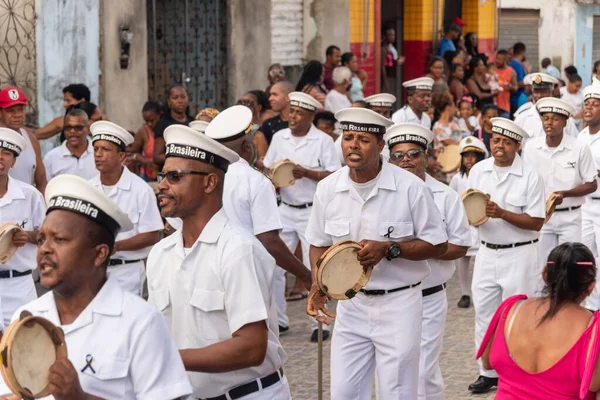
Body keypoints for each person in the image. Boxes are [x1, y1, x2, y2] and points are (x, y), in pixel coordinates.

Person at [0, 174, 192, 399]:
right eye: (42, 239)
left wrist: (80, 397)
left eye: (59, 239)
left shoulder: (140, 322)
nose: (44, 250)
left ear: (100, 253)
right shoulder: (27, 317)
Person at [306, 107, 448, 399]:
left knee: (396, 392)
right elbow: (318, 243)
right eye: (348, 138)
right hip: (351, 307)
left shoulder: (410, 188)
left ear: (381, 145)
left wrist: (391, 249)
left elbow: (438, 244)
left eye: (363, 139)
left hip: (399, 303)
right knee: (344, 392)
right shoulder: (328, 189)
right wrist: (318, 284)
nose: (353, 145)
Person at [147, 124, 291, 399]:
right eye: (162, 175)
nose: (162, 185)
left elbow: (251, 347)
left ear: (210, 183)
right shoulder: (160, 253)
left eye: (175, 177)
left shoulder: (237, 249)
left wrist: (170, 358)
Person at [201, 106, 312, 335]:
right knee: (259, 347)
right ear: (246, 145)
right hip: (247, 279)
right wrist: (305, 274)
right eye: (252, 138)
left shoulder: (200, 178)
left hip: (206, 278)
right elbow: (268, 241)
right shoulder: (255, 181)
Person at [385, 122, 470, 400]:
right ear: (388, 158)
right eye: (398, 155)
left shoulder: (445, 196)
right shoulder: (379, 196)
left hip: (428, 296)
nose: (405, 160)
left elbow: (459, 245)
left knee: (422, 370)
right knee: (390, 371)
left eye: (413, 154)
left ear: (427, 157)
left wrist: (419, 249)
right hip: (388, 298)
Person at [467, 117, 545, 394]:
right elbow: (469, 206)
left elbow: (536, 221)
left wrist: (502, 213)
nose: (499, 146)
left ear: (517, 146)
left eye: (506, 142)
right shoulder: (479, 170)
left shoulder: (530, 175)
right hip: (487, 253)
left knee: (518, 315)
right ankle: (487, 372)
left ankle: (518, 370)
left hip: (520, 254)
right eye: (496, 140)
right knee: (484, 314)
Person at [477, 242, 600, 399]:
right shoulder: (593, 329)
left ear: (544, 274)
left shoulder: (510, 309)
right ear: (590, 287)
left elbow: (487, 362)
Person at [263, 92, 341, 342]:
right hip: (284, 208)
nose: (292, 117)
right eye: (291, 111)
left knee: (314, 267)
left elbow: (333, 175)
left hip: (311, 211)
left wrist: (306, 173)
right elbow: (268, 166)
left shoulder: (322, 141)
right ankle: (279, 321)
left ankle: (319, 322)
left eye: (298, 113)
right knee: (274, 266)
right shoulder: (279, 137)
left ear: (310, 117)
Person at [88, 121, 163, 295]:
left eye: (105, 150)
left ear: (122, 157)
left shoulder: (140, 190)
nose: (98, 155)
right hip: (94, 272)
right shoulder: (89, 189)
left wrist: (117, 246)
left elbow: (153, 234)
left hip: (126, 273)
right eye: (96, 149)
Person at [523, 97, 597, 265]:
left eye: (555, 119)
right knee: (543, 264)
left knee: (570, 264)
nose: (549, 123)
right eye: (545, 118)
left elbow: (592, 184)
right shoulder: (531, 147)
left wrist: (566, 193)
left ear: (565, 122)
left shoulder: (578, 147)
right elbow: (525, 181)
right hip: (542, 216)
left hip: (571, 216)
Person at [0, 128, 44, 328]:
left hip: (20, 286)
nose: (0, 157)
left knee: (23, 348)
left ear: (14, 162)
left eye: (6, 153)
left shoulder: (30, 195)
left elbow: (48, 236)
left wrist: (27, 236)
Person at [450, 136, 488, 308]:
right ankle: (465, 293)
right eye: (466, 156)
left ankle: (480, 291)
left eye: (473, 156)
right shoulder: (458, 178)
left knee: (482, 258)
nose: (469, 159)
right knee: (462, 259)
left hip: (481, 222)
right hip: (464, 223)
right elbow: (451, 198)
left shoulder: (485, 174)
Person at [578, 84, 600, 309]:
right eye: (587, 104)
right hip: (585, 204)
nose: (589, 108)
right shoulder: (581, 136)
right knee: (585, 255)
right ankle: (590, 305)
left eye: (595, 104)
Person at [515, 73, 580, 145]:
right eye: (536, 91)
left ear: (551, 92)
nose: (539, 95)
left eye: (543, 91)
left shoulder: (564, 119)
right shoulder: (523, 116)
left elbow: (575, 143)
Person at [43, 108, 96, 181]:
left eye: (78, 127)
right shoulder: (51, 158)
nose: (72, 131)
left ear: (87, 128)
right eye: (68, 127)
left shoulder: (98, 153)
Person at [152, 85, 194, 170]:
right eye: (175, 98)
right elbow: (156, 157)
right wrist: (181, 157)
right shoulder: (163, 124)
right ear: (169, 102)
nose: (180, 101)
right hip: (170, 173)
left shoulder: (192, 122)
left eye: (183, 97)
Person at [127, 100, 162, 182]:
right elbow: (132, 153)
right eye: (146, 121)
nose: (149, 124)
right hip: (147, 176)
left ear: (159, 115)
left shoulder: (165, 130)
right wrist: (146, 161)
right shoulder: (143, 131)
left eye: (152, 120)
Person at [260, 81, 294, 147]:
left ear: (288, 98)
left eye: (275, 94)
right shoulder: (268, 124)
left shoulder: (302, 123)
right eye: (270, 95)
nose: (270, 99)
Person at [381, 26, 405, 93]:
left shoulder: (391, 47)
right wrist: (385, 83)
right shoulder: (383, 48)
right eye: (390, 35)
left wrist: (398, 59)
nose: (393, 37)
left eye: (394, 35)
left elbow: (393, 58)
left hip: (392, 75)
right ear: (385, 36)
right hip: (385, 77)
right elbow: (382, 66)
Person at [495, 50, 517, 118]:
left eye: (499, 59)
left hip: (504, 108)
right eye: (496, 58)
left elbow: (516, 87)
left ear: (505, 60)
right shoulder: (492, 69)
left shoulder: (511, 71)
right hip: (493, 106)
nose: (496, 60)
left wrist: (511, 87)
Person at [509, 42, 527, 117]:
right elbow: (518, 82)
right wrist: (528, 83)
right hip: (516, 99)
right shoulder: (517, 64)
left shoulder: (512, 63)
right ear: (523, 52)